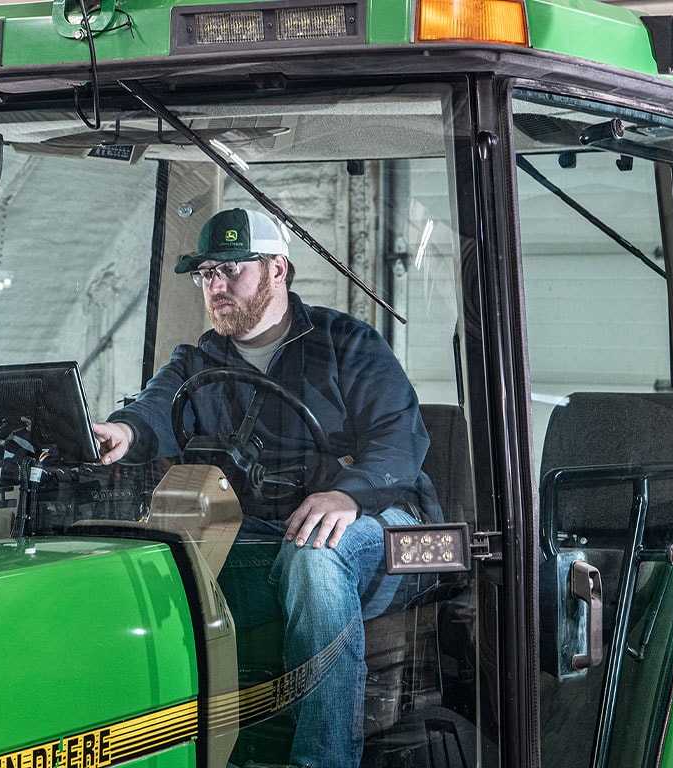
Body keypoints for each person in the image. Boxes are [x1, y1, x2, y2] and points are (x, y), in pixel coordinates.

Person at [92, 208, 441, 768]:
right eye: (206, 274)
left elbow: (398, 440)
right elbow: (153, 412)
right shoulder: (197, 360)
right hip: (269, 528)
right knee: (155, 563)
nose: (216, 287)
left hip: (385, 524)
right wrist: (122, 432)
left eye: (232, 270)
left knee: (316, 558)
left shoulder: (347, 342)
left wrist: (347, 495)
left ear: (279, 268)